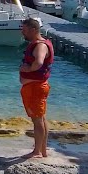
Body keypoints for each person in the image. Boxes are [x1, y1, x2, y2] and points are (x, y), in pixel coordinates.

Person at [19, 17, 53, 158]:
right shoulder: (39, 43)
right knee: (41, 118)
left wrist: (27, 69)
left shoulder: (40, 45)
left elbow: (39, 63)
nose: (23, 33)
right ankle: (42, 150)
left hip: (36, 87)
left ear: (33, 30)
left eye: (25, 30)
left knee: (37, 119)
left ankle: (37, 151)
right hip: (34, 87)